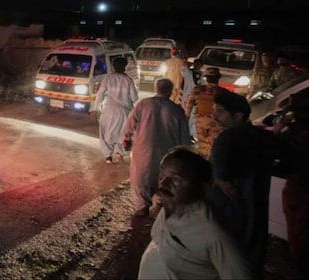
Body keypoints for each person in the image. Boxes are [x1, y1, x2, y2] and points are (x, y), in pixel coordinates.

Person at [138, 147, 252, 279]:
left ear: (202, 188)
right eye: (162, 175)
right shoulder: (171, 206)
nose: (163, 183)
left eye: (176, 179)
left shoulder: (214, 234)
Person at [207, 90, 284, 277]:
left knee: (228, 259)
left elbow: (221, 177)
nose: (213, 116)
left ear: (237, 116)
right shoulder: (262, 136)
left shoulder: (226, 138)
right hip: (257, 208)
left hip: (231, 211)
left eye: (219, 111)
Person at [121, 78, 191, 217]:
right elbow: (185, 139)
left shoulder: (144, 104)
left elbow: (129, 125)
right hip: (167, 154)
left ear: (156, 88)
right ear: (171, 91)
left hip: (143, 151)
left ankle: (142, 208)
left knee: (140, 179)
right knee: (164, 181)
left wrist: (127, 139)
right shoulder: (176, 109)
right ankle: (161, 211)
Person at [276, 92, 309, 279]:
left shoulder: (302, 135)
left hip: (303, 191)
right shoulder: (301, 133)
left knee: (301, 241)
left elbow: (284, 156)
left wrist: (279, 133)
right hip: (302, 190)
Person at [94, 56, 138, 164]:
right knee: (122, 133)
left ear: (113, 66)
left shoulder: (108, 78)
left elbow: (100, 94)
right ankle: (119, 153)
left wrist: (97, 108)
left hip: (108, 110)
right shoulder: (128, 79)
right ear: (125, 66)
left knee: (105, 133)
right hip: (124, 112)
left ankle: (108, 157)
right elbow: (134, 97)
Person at [183, 67, 229, 159]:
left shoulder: (198, 90)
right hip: (216, 123)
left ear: (206, 78)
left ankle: (202, 161)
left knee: (202, 144)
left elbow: (189, 105)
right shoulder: (224, 93)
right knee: (212, 145)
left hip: (201, 122)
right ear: (218, 78)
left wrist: (186, 119)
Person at [181, 58, 203, 141]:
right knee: (186, 116)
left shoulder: (202, 75)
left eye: (199, 65)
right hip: (187, 98)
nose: (198, 66)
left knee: (192, 117)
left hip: (196, 100)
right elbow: (184, 64)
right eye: (196, 64)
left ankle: (190, 134)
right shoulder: (188, 73)